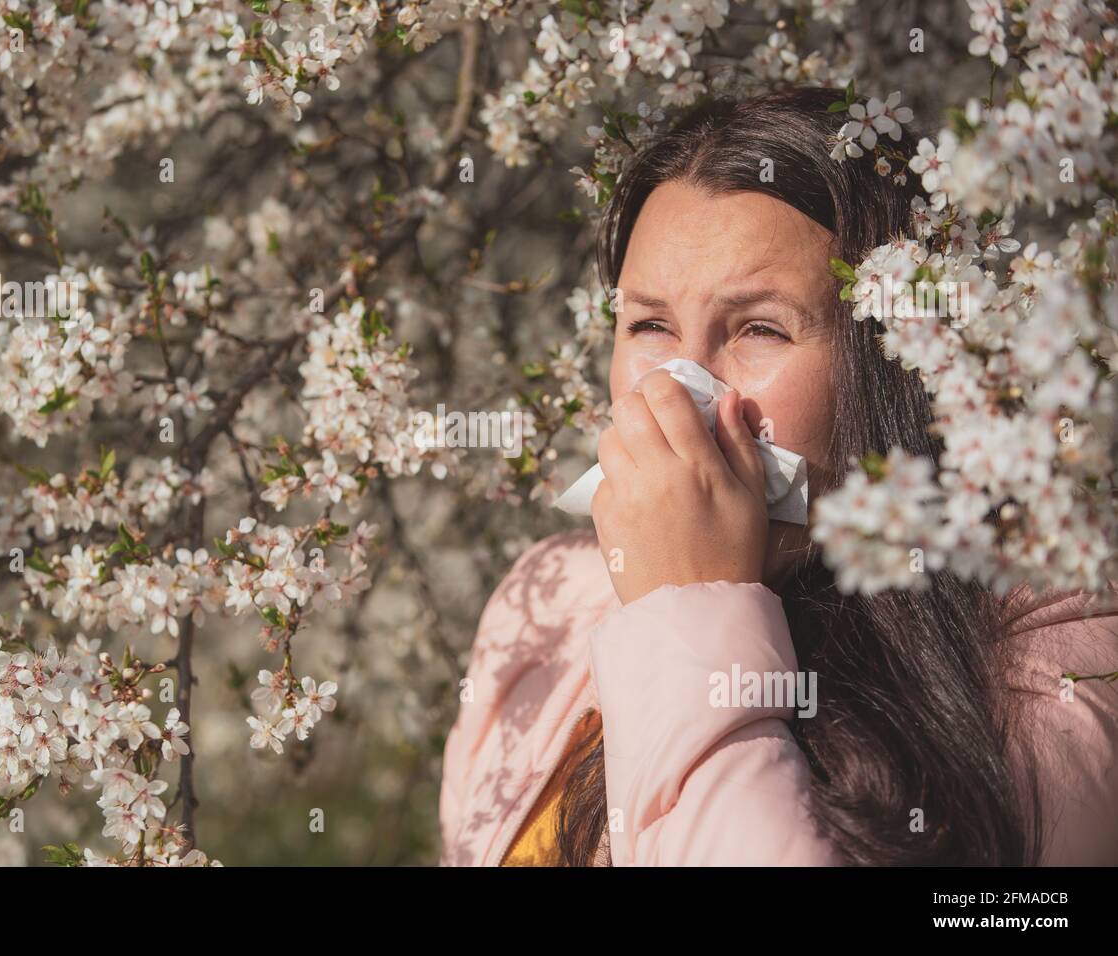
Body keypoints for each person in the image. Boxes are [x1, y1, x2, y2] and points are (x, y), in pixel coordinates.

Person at [437, 87, 1118, 867]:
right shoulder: (547, 603)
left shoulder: (1056, 655)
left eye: (761, 328)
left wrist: (686, 604)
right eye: (650, 326)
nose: (680, 393)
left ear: (900, 366)